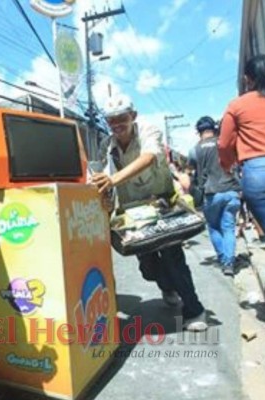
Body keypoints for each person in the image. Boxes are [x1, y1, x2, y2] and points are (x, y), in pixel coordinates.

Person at [91, 95, 207, 332]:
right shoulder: (107, 145)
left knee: (174, 258)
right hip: (132, 215)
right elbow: (102, 179)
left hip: (162, 204)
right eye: (111, 120)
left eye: (121, 118)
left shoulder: (148, 130)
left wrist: (112, 180)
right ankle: (169, 286)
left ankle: (194, 310)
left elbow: (149, 157)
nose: (116, 125)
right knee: (148, 268)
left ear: (133, 116)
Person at [219, 54, 265, 280]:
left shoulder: (237, 105)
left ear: (248, 79)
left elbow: (225, 144)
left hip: (259, 171)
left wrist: (228, 165)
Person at [189, 116, 241, 276]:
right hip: (232, 190)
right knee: (228, 227)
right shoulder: (223, 143)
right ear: (215, 128)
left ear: (199, 132)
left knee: (213, 227)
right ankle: (229, 262)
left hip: (211, 194)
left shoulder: (194, 150)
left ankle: (223, 258)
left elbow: (192, 169)